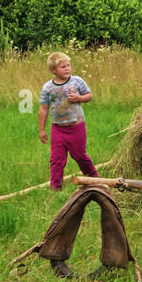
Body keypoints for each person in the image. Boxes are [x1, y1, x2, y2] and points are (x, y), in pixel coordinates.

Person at [38, 52, 98, 191]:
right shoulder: (48, 87)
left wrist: (79, 98)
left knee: (80, 156)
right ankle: (55, 187)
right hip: (58, 129)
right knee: (56, 160)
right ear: (53, 70)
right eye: (62, 66)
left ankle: (94, 179)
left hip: (76, 126)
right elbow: (43, 108)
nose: (67, 68)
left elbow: (89, 96)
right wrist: (42, 130)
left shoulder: (77, 81)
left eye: (68, 65)